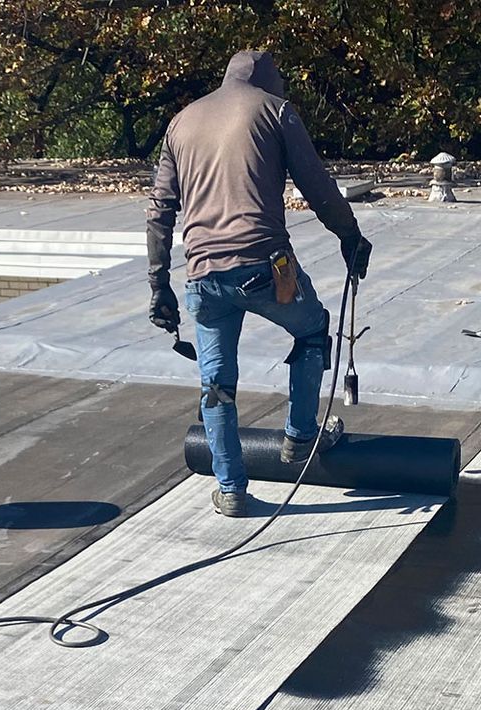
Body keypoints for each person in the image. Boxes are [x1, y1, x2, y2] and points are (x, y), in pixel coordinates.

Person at [145, 49, 371, 517]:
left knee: (216, 383)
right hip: (265, 268)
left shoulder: (181, 122)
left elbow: (159, 212)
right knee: (312, 328)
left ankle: (230, 490)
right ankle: (300, 436)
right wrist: (350, 236)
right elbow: (318, 185)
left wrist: (157, 285)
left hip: (203, 277)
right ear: (270, 81)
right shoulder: (276, 111)